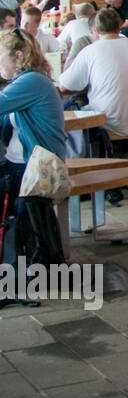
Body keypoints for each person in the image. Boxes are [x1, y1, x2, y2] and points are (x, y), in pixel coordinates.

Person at [0, 29, 66, 290]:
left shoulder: (32, 82)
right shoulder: (25, 81)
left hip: (36, 167)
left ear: (17, 56)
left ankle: (19, 271)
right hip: (25, 165)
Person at [58, 7, 128, 139]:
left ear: (95, 29)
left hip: (108, 123)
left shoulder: (91, 50)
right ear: (119, 27)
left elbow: (64, 86)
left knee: (67, 109)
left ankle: (78, 158)